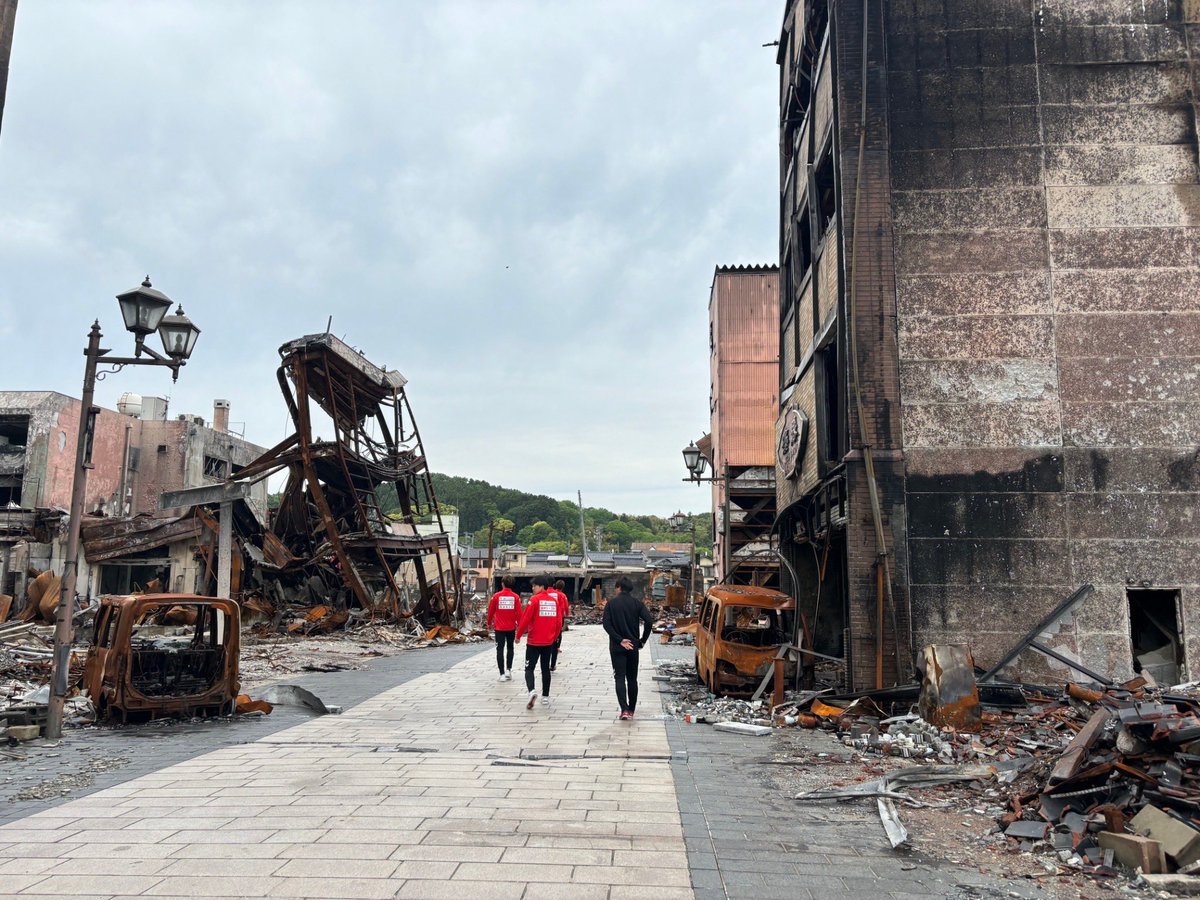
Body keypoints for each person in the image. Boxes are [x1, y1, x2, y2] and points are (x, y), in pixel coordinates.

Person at [602, 575, 654, 721]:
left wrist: (619, 640)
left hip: (617, 647)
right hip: (633, 646)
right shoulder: (637, 603)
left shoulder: (611, 604)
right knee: (632, 679)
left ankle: (624, 709)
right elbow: (649, 621)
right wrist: (642, 641)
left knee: (619, 677)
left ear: (618, 588)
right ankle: (631, 709)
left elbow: (606, 625)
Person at [516, 574, 563, 709]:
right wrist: (554, 638)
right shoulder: (554, 602)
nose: (532, 588)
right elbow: (559, 622)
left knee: (529, 668)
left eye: (534, 586)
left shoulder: (534, 600)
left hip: (533, 642)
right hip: (548, 642)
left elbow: (525, 619)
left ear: (542, 586)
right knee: (545, 669)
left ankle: (532, 691)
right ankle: (545, 697)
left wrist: (518, 635)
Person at [487, 575, 522, 681]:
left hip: (499, 628)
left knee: (499, 649)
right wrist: (520, 630)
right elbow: (519, 614)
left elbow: (491, 611)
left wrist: (488, 623)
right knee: (510, 648)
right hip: (511, 627)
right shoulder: (516, 597)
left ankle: (501, 674)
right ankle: (508, 670)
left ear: (502, 584)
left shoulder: (496, 596)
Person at [549, 579, 570, 671]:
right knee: (558, 632)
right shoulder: (562, 595)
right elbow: (565, 606)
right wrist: (567, 613)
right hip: (559, 616)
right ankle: (557, 647)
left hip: (548, 617)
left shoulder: (546, 594)